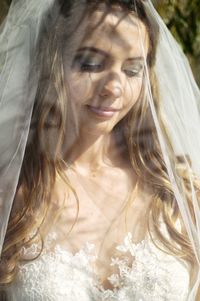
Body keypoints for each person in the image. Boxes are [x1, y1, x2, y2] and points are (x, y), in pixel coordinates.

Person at [0, 0, 200, 300]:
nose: (114, 88)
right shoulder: (11, 195)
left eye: (132, 69)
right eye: (91, 64)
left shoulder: (176, 193)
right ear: (50, 63)